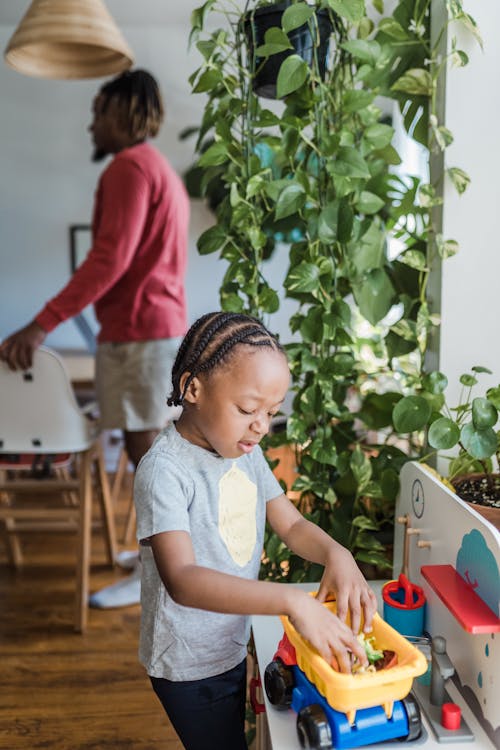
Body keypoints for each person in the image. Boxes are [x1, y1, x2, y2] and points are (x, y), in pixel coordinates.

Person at [133, 311, 378, 750]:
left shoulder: (243, 450)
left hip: (228, 643)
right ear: (193, 389)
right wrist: (290, 601)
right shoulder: (164, 471)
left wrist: (337, 553)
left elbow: (293, 524)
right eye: (248, 409)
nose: (262, 426)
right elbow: (183, 581)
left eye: (271, 412)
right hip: (188, 665)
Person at [0, 69, 189, 607]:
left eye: (97, 112)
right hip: (153, 329)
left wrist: (42, 323)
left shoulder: (129, 168)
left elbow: (108, 259)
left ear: (121, 113)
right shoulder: (157, 169)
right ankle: (158, 560)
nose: (91, 125)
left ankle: (158, 573)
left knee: (145, 455)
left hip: (138, 331)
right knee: (149, 454)